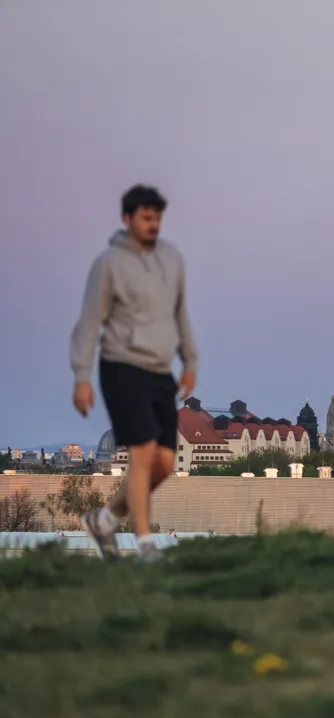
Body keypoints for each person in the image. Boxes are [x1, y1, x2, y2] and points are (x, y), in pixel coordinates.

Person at [69, 184, 198, 562]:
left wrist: (189, 361)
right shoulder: (108, 264)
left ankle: (105, 519)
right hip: (121, 366)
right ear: (127, 219)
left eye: (157, 217)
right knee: (141, 455)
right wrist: (81, 375)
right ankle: (144, 545)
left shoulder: (171, 260)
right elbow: (88, 324)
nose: (153, 224)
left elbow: (180, 315)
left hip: (160, 370)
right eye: (146, 217)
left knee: (163, 464)